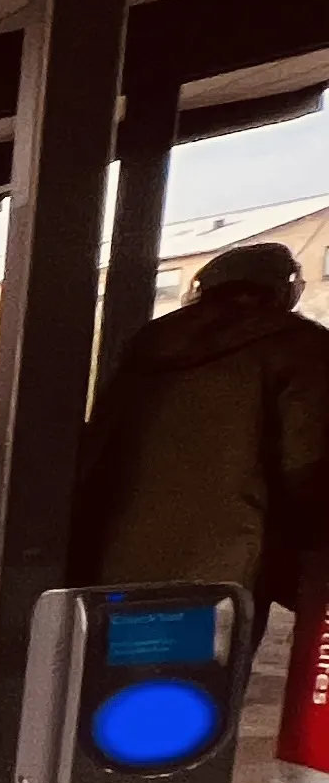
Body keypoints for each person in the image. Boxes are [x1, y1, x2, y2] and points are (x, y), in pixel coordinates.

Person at [67, 242, 329, 601]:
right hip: (230, 556)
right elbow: (308, 461)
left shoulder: (150, 342)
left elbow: (101, 438)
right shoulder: (301, 346)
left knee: (125, 650)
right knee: (209, 653)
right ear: (281, 289)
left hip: (117, 544)